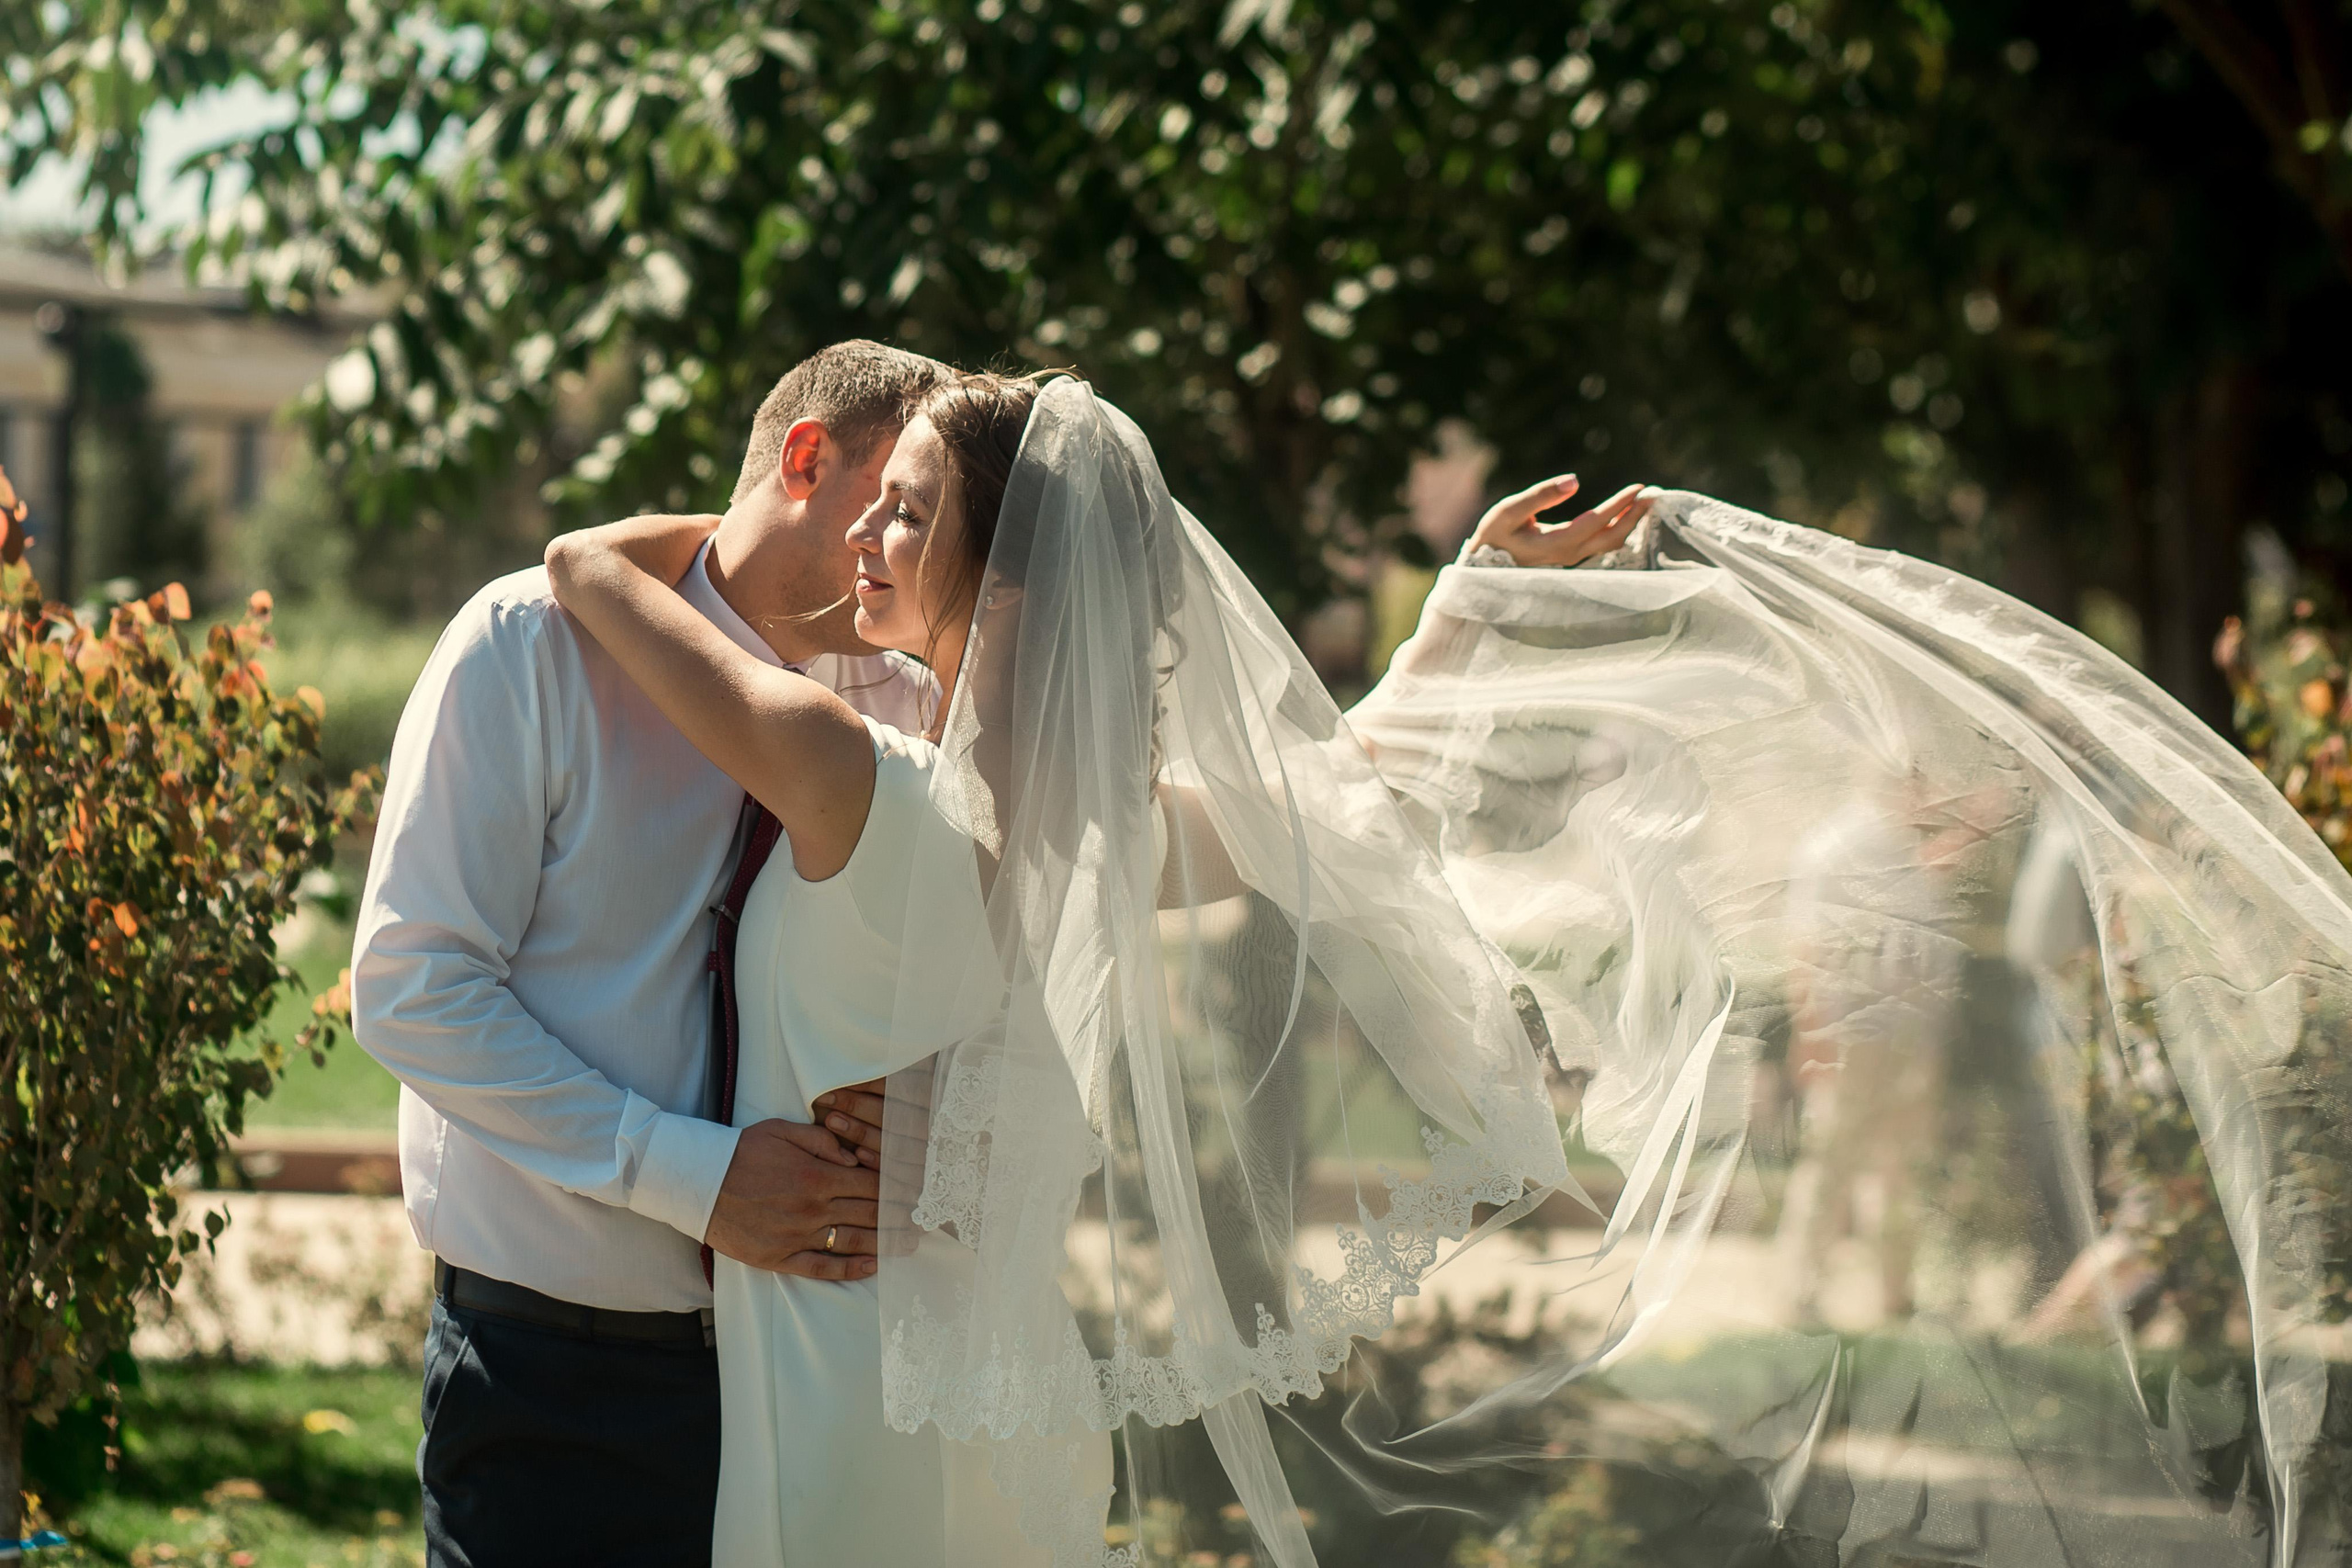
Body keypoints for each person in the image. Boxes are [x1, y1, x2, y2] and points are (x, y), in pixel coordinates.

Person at [351, 341, 948, 1567]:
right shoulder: (527, 646)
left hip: (831, 1372)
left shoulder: (911, 702)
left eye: (924, 517)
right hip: (560, 1380)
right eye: (888, 502)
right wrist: (698, 1177)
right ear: (803, 459)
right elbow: (414, 992)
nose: (902, 544)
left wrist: (952, 1118)